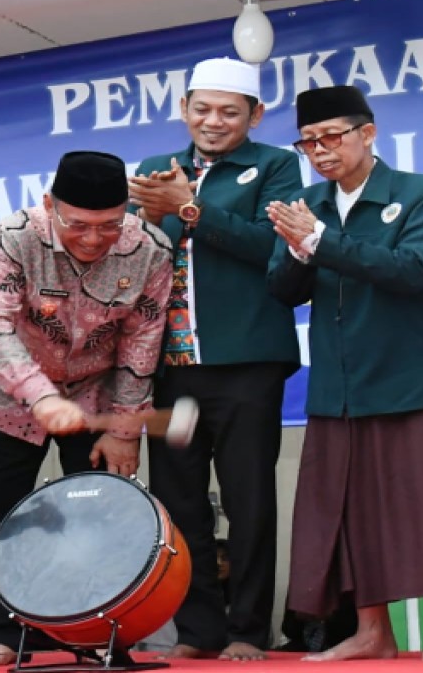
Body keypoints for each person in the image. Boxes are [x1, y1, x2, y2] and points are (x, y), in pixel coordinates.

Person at [265, 85, 423, 662]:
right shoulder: (308, 202)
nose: (321, 150)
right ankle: (369, 631)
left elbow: (413, 273)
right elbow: (282, 292)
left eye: (333, 136)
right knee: (349, 511)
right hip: (339, 384)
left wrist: (321, 240)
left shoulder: (416, 192)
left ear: (368, 132)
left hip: (412, 376)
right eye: (309, 141)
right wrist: (298, 249)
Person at [0, 151, 173, 666]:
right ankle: (1, 636)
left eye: (109, 225)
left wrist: (124, 426)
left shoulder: (150, 249)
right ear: (48, 204)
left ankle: (100, 639)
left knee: (102, 518)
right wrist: (41, 396)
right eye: (79, 224)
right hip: (7, 400)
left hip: (97, 395)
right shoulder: (14, 236)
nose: (94, 238)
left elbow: (142, 342)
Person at [128, 57, 301, 661]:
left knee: (249, 499)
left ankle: (251, 629)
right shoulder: (155, 170)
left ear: (255, 115)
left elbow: (276, 249)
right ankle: (198, 629)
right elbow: (130, 258)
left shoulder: (275, 165)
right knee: (178, 506)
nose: (213, 121)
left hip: (247, 361)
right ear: (183, 110)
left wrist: (191, 208)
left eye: (229, 111)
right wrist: (148, 219)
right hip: (170, 368)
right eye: (202, 108)